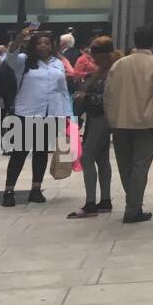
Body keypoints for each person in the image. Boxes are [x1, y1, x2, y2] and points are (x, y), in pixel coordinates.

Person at [103, 25, 153, 224]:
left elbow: (108, 95)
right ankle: (133, 207)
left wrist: (111, 117)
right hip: (147, 123)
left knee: (125, 166)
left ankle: (133, 203)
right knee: (140, 166)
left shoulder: (119, 65)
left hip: (120, 122)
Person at [2, 29, 72, 207]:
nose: (43, 46)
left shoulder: (58, 63)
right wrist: (20, 36)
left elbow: (62, 91)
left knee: (40, 153)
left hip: (49, 114)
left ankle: (36, 189)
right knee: (19, 153)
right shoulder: (24, 61)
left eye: (47, 43)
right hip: (26, 113)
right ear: (34, 45)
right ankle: (9, 190)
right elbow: (11, 54)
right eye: (39, 42)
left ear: (52, 45)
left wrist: (66, 114)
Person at [67, 36, 119, 218]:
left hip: (102, 117)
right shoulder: (104, 71)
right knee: (102, 158)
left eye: (96, 54)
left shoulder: (112, 72)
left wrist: (85, 97)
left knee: (87, 156)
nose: (93, 58)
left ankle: (91, 203)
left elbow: (111, 97)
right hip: (97, 117)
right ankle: (105, 200)